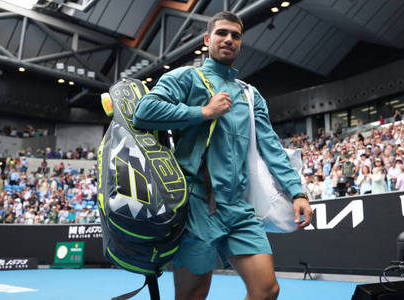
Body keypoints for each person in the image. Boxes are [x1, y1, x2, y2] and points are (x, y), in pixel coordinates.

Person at [133, 11, 312, 300]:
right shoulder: (186, 77)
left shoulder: (250, 95)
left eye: (236, 35)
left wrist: (298, 193)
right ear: (207, 39)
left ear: (240, 43)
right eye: (222, 33)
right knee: (193, 295)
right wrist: (204, 112)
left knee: (267, 289)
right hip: (195, 207)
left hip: (239, 209)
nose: (229, 39)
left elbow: (272, 148)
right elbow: (144, 112)